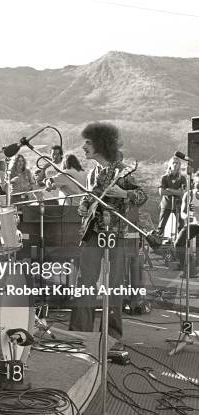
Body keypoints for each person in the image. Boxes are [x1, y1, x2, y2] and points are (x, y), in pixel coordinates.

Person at [70, 122, 147, 349]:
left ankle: (112, 339)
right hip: (93, 235)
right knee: (85, 284)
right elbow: (89, 198)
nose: (83, 147)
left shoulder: (122, 170)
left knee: (113, 287)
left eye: (88, 142)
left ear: (100, 144)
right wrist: (84, 206)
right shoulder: (94, 172)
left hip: (116, 236)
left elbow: (141, 195)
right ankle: (80, 335)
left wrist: (124, 193)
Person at [173, 171, 199, 276]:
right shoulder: (189, 194)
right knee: (178, 244)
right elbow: (182, 213)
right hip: (192, 224)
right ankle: (187, 268)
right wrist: (187, 216)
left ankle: (195, 267)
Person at [158, 157, 185, 238]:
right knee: (161, 226)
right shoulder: (164, 177)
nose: (175, 164)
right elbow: (161, 192)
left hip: (178, 204)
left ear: (179, 165)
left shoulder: (182, 178)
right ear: (170, 164)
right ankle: (157, 244)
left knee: (181, 226)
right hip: (166, 204)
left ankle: (180, 246)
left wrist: (169, 189)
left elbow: (182, 193)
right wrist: (176, 191)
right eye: (173, 162)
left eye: (177, 163)